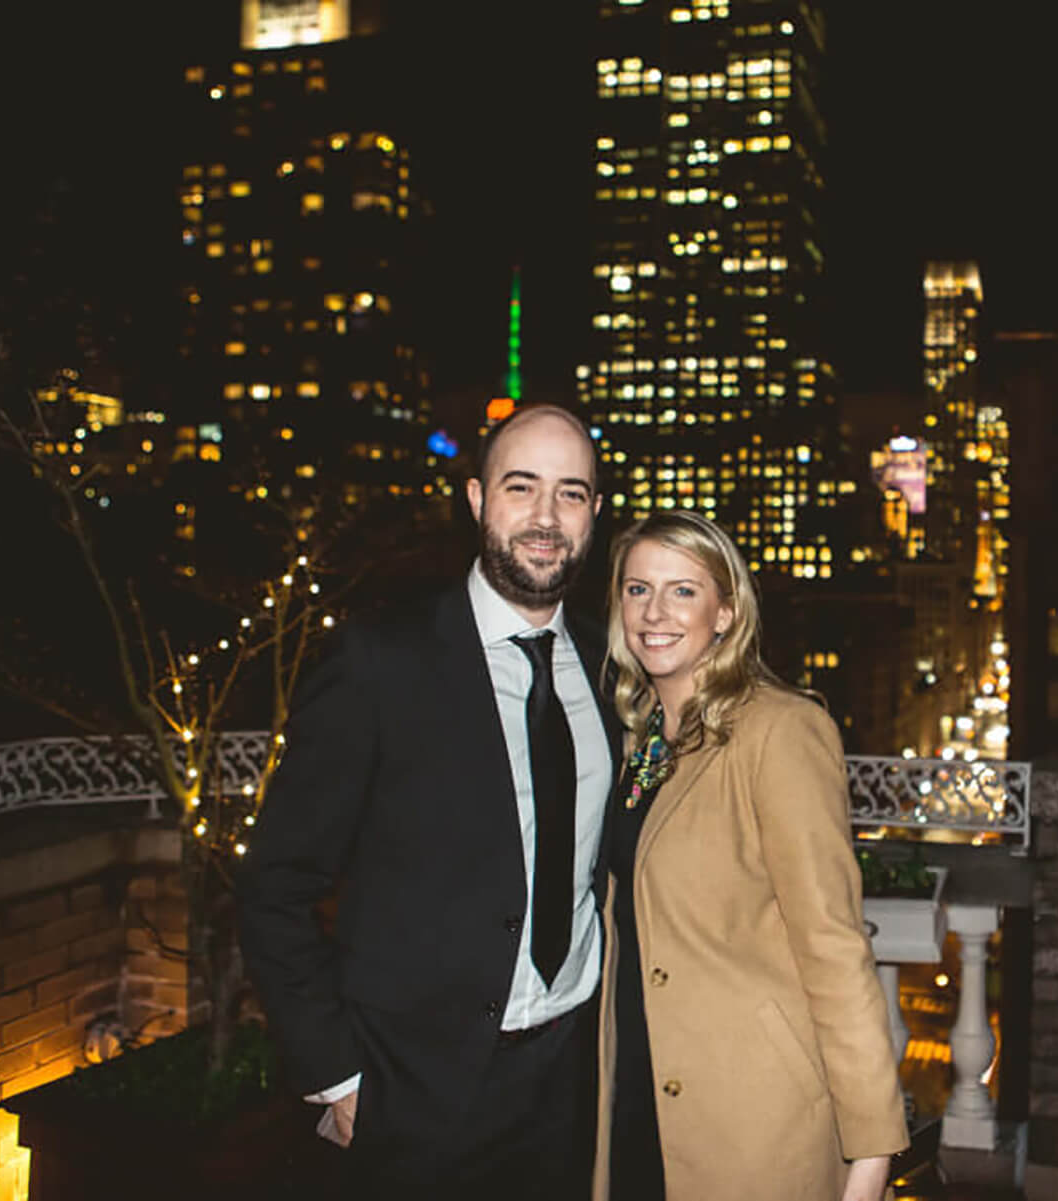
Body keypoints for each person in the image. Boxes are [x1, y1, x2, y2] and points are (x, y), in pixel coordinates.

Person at [238, 404, 620, 1197]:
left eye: (571, 493)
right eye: (523, 487)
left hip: (569, 1079)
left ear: (594, 513)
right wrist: (335, 1073)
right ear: (478, 500)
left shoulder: (611, 663)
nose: (546, 517)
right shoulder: (381, 660)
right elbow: (276, 882)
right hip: (411, 1093)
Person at [595, 511, 908, 1201]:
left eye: (683, 590)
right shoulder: (638, 740)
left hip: (755, 1117)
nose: (654, 611)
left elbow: (833, 944)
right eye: (637, 588)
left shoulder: (782, 731)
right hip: (637, 1095)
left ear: (726, 612)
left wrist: (871, 1155)